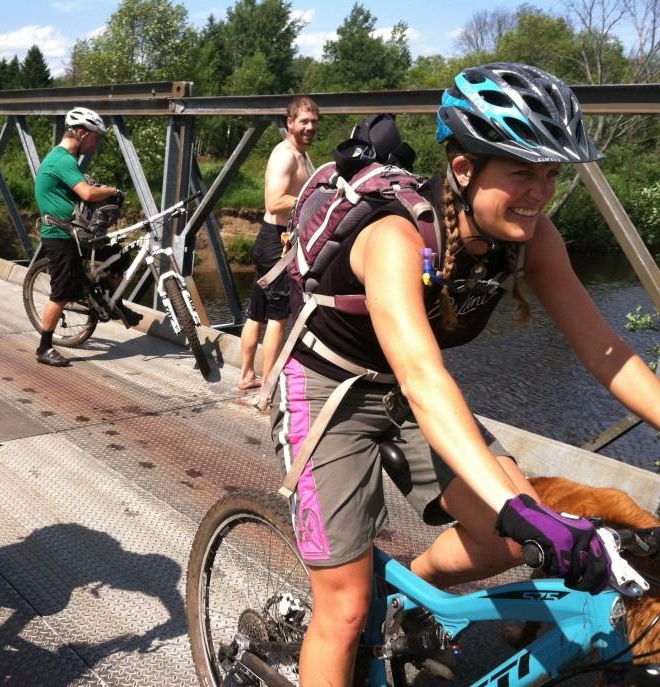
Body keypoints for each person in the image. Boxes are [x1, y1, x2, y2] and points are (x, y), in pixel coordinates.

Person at [271, 62, 656, 685]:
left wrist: (517, 513)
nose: (540, 193)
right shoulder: (396, 235)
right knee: (343, 609)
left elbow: (606, 352)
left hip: (405, 392)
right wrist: (515, 504)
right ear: (463, 169)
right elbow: (425, 374)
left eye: (552, 174)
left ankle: (407, 598)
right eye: (521, 172)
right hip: (327, 388)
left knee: (510, 537)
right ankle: (364, 610)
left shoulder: (531, 237)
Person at [33, 106, 140, 367]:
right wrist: (112, 189)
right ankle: (44, 347)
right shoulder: (62, 159)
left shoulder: (67, 160)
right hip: (58, 235)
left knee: (116, 257)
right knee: (61, 292)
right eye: (94, 137)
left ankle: (117, 304)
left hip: (76, 232)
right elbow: (88, 194)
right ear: (80, 133)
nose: (95, 143)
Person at [237, 96, 319, 390]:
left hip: (273, 241)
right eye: (304, 121)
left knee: (256, 312)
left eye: (314, 121)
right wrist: (315, 201)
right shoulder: (286, 155)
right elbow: (273, 202)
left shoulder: (301, 155)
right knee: (278, 317)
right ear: (290, 123)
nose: (310, 127)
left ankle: (247, 375)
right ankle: (270, 383)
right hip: (278, 243)